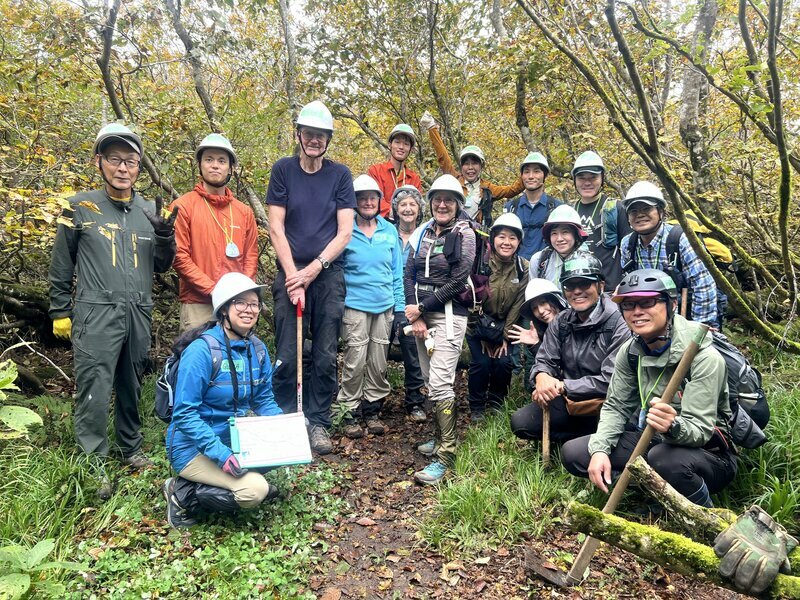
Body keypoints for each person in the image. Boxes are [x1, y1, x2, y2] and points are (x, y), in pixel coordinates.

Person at [48, 123, 177, 499]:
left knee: (131, 381)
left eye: (131, 162)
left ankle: (129, 446)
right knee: (94, 385)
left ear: (139, 167)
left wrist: (166, 238)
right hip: (95, 311)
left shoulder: (149, 209)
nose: (123, 168)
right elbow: (61, 263)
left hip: (138, 309)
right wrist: (59, 309)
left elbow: (162, 267)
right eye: (115, 160)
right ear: (99, 161)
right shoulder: (79, 207)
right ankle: (93, 459)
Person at [561, 269, 737, 509]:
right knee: (576, 453)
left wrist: (673, 426)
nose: (637, 312)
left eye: (647, 302)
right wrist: (601, 449)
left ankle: (704, 515)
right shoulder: (631, 351)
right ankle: (657, 493)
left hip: (708, 453)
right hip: (652, 438)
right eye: (629, 305)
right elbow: (616, 406)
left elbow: (700, 431)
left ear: (672, 303)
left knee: (664, 459)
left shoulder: (703, 357)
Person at [266, 100, 356, 455]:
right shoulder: (284, 170)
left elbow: (344, 232)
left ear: (328, 139)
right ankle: (287, 419)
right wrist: (293, 277)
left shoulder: (340, 175)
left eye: (321, 135)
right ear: (299, 135)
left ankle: (318, 422)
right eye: (309, 134)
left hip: (328, 275)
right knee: (288, 353)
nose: (314, 140)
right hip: (290, 274)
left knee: (323, 354)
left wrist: (313, 270)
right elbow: (276, 226)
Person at [163, 273, 282, 528]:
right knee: (254, 490)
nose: (249, 310)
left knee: (280, 453)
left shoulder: (258, 350)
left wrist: (285, 427)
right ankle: (181, 493)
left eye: (254, 304)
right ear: (224, 308)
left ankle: (231, 477)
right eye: (240, 303)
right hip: (191, 448)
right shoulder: (202, 351)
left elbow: (264, 399)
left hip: (233, 439)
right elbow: (184, 414)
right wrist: (222, 455)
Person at [510, 253, 630, 443]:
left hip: (609, 404)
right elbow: (545, 359)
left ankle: (590, 439)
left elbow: (612, 379)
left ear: (600, 285)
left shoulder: (619, 322)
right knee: (522, 422)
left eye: (584, 284)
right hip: (571, 401)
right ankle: (579, 437)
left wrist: (563, 386)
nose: (576, 291)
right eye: (570, 286)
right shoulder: (562, 321)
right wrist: (541, 375)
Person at [403, 174, 476, 484]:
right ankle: (438, 436)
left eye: (449, 199)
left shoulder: (465, 234)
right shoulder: (422, 232)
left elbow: (459, 278)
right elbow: (407, 273)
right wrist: (414, 314)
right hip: (421, 316)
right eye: (437, 199)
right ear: (430, 202)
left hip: (448, 315)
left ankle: (447, 455)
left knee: (442, 381)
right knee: (431, 381)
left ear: (458, 204)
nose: (442, 204)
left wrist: (423, 307)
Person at [337, 175, 405, 438]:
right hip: (354, 305)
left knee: (378, 361)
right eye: (362, 197)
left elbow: (396, 273)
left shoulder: (389, 231)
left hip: (384, 306)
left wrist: (400, 309)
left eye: (372, 197)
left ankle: (372, 408)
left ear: (380, 201)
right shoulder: (344, 230)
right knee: (354, 360)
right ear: (354, 201)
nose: (367, 202)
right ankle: (349, 409)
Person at [171, 134, 259, 331]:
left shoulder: (244, 212)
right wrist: (214, 290)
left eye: (221, 161)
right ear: (200, 165)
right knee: (198, 359)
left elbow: (251, 257)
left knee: (233, 360)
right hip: (198, 303)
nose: (215, 165)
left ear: (230, 167)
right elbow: (179, 257)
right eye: (209, 159)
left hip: (235, 304)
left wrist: (241, 294)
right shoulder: (183, 206)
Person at [620, 181, 719, 328]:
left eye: (647, 208)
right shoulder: (628, 244)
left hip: (687, 317)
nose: (640, 215)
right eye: (633, 211)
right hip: (649, 319)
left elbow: (703, 285)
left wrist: (701, 328)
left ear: (661, 212)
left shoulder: (680, 239)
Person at [466, 213, 528, 420]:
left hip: (505, 325)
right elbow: (472, 297)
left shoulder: (523, 268)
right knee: (481, 362)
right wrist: (485, 333)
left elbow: (519, 304)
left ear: (519, 241)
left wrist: (503, 335)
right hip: (477, 323)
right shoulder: (480, 262)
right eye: (502, 236)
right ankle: (476, 405)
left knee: (503, 362)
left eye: (512, 237)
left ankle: (496, 402)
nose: (506, 242)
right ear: (493, 239)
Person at [419, 111, 523, 226]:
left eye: (474, 163)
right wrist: (432, 128)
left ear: (481, 166)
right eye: (466, 164)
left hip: (477, 237)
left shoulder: (487, 188)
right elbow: (443, 157)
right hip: (453, 233)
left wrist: (529, 172)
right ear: (461, 166)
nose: (470, 168)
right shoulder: (455, 181)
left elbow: (511, 190)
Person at [390, 185, 428, 422]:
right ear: (395, 209)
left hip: (415, 303)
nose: (407, 208)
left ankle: (415, 400)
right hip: (387, 300)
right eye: (403, 204)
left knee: (413, 350)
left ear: (419, 209)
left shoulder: (425, 233)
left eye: (412, 204)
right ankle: (372, 401)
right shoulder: (385, 231)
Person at [571, 151, 631, 290]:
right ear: (574, 180)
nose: (587, 182)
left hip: (611, 289)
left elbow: (630, 249)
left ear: (602, 178)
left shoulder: (616, 208)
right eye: (581, 178)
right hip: (578, 288)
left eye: (593, 177)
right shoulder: (570, 211)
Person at [503, 152, 562, 260]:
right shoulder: (511, 207)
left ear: (544, 175)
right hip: (516, 269)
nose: (531, 176)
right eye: (526, 172)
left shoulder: (556, 208)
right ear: (522, 176)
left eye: (536, 171)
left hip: (546, 268)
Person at [368, 124, 423, 219]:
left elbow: (417, 206)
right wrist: (394, 212)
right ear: (390, 145)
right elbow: (374, 199)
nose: (401, 147)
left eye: (406, 144)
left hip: (407, 226)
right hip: (379, 225)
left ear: (411, 149)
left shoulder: (414, 178)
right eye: (397, 142)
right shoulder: (376, 171)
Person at [507, 278, 567, 360]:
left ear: (556, 299)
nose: (540, 311)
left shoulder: (576, 323)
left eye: (543, 302)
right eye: (534, 308)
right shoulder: (544, 332)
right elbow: (551, 364)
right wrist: (536, 345)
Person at [528, 205, 589, 284]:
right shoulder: (538, 260)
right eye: (554, 233)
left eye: (565, 232)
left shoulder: (587, 261)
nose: (559, 239)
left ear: (576, 234)